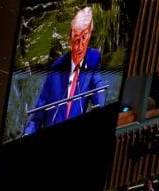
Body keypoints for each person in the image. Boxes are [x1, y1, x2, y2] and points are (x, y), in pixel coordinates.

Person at [24, 7, 105, 135]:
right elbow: (36, 117)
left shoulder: (93, 60)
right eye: (76, 39)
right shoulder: (56, 68)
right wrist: (27, 133)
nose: (79, 46)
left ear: (89, 35)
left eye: (84, 38)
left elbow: (99, 90)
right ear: (69, 39)